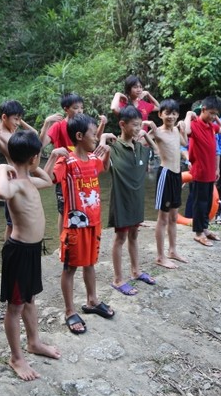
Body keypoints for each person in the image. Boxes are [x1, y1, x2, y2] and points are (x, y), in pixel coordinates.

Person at [0, 130, 61, 380]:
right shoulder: (14, 185)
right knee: (15, 307)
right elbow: (1, 192)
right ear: (34, 157)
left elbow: (49, 179)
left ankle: (34, 342)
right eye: (39, 156)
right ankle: (16, 357)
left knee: (29, 299)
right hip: (19, 252)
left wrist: (32, 166)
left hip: (32, 251)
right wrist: (3, 167)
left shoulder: (28, 181)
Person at [44, 113, 114, 335]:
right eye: (94, 134)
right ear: (79, 135)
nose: (96, 138)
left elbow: (105, 167)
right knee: (70, 267)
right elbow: (46, 180)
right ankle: (69, 310)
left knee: (91, 262)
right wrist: (52, 157)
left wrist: (108, 154)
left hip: (94, 222)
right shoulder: (66, 160)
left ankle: (92, 300)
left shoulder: (93, 159)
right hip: (74, 225)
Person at [105, 105, 157, 296]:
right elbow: (99, 164)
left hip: (136, 199)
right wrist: (102, 137)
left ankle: (136, 271)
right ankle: (118, 279)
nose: (137, 129)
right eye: (134, 125)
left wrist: (145, 135)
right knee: (120, 238)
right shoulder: (113, 148)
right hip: (121, 199)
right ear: (122, 124)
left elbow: (157, 150)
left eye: (140, 125)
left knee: (134, 235)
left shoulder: (139, 148)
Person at [40, 93, 107, 236]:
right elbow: (41, 144)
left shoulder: (84, 124)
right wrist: (47, 123)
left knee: (83, 203)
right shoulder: (58, 126)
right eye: (76, 108)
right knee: (63, 208)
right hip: (64, 170)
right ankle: (62, 240)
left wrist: (102, 125)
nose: (80, 111)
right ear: (66, 109)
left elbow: (94, 139)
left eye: (81, 108)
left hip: (83, 170)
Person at [144, 99, 188, 269]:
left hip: (177, 175)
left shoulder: (176, 131)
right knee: (162, 218)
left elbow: (184, 143)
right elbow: (142, 141)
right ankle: (160, 256)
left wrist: (183, 129)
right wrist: (147, 130)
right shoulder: (158, 132)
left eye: (174, 113)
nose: (171, 116)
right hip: (165, 175)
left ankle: (173, 250)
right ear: (160, 114)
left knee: (174, 216)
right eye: (168, 113)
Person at [0, 99, 37, 240]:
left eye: (20, 119)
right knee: (12, 223)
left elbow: (34, 133)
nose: (17, 123)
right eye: (15, 119)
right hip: (13, 179)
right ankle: (8, 249)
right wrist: (0, 119)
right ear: (4, 117)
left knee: (23, 217)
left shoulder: (14, 134)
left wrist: (19, 121)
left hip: (24, 177)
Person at [184, 97, 221, 247]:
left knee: (207, 202)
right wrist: (189, 115)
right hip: (199, 172)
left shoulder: (211, 125)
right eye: (211, 113)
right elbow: (186, 131)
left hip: (210, 172)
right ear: (203, 110)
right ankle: (198, 233)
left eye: (215, 114)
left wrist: (217, 118)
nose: (213, 117)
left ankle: (205, 229)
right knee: (199, 203)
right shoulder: (195, 125)